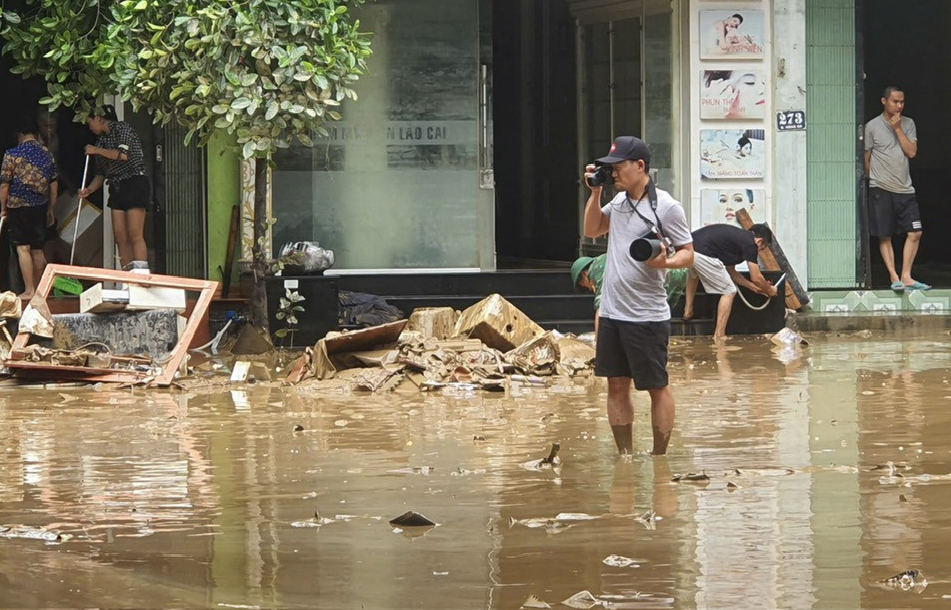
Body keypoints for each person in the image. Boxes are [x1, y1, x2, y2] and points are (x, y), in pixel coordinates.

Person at [583, 136, 694, 456]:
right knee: (616, 385)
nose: (613, 173)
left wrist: (666, 262)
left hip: (646, 316)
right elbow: (592, 230)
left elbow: (688, 253)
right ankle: (625, 457)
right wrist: (595, 193)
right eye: (611, 169)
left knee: (656, 387)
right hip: (612, 313)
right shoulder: (617, 203)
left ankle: (659, 457)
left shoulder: (668, 207)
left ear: (640, 166)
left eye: (618, 168)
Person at [864, 86, 928, 291]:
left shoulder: (908, 124)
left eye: (902, 102)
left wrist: (898, 128)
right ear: (884, 101)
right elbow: (867, 157)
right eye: (895, 102)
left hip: (905, 189)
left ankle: (906, 275)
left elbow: (911, 152)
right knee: (885, 234)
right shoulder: (872, 126)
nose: (899, 105)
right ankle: (894, 276)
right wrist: (871, 179)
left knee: (915, 232)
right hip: (880, 187)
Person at [78, 104, 151, 271]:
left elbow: (122, 155)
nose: (89, 126)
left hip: (134, 181)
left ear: (98, 118)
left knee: (134, 233)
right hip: (116, 185)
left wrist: (96, 150)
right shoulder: (101, 140)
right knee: (120, 235)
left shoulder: (123, 129)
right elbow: (101, 173)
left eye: (90, 121)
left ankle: (140, 275)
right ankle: (126, 276)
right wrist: (89, 189)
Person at [682, 223, 778, 341]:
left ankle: (688, 311)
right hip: (703, 252)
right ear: (760, 241)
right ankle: (720, 335)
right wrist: (770, 290)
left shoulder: (737, 240)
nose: (760, 251)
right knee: (729, 291)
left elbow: (732, 273)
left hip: (688, 248)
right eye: (763, 248)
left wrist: (753, 288)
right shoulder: (750, 244)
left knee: (694, 274)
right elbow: (756, 277)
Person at [0, 117, 57, 299]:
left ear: (20, 135)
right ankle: (40, 291)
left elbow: (4, 186)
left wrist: (3, 208)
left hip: (17, 207)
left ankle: (29, 290)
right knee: (38, 248)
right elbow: (54, 185)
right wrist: (50, 208)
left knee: (22, 248)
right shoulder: (47, 154)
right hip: (39, 206)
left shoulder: (12, 153)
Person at [572, 253, 688, 332]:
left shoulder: (597, 268)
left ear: (584, 275)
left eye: (585, 286)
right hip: (679, 271)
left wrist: (600, 348)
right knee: (658, 317)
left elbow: (602, 310)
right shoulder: (607, 258)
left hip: (663, 274)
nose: (589, 289)